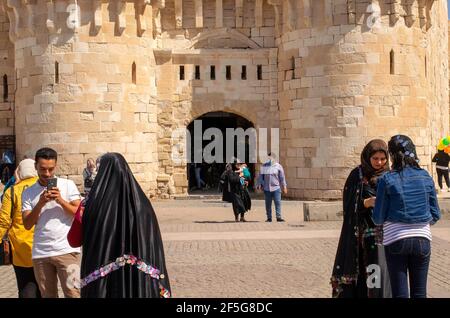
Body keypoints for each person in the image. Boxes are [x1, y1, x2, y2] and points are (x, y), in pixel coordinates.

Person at [67, 153, 171, 298]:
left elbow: (73, 240)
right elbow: (153, 243)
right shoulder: (144, 206)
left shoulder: (88, 206)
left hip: (102, 285)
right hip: (139, 282)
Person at [373, 135, 441, 298]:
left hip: (396, 239)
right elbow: (436, 214)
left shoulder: (387, 179)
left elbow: (378, 218)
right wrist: (418, 222)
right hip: (422, 239)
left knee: (400, 293)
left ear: (392, 155)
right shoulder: (426, 177)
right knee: (420, 292)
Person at [330, 139, 392, 298]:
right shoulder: (356, 175)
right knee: (363, 275)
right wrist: (365, 203)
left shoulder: (390, 176)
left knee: (377, 272)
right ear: (367, 157)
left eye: (382, 159)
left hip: (384, 236)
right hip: (360, 237)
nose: (379, 162)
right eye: (375, 159)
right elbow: (348, 203)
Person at [22, 147, 82, 298]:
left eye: (51, 169)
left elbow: (78, 213)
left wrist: (60, 200)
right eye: (42, 169)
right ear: (35, 166)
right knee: (48, 295)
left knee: (74, 293)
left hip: (68, 251)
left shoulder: (68, 185)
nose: (47, 174)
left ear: (56, 166)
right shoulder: (28, 192)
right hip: (41, 254)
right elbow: (27, 224)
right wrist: (41, 202)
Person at [0, 159, 40, 298]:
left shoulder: (12, 191)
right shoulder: (44, 186)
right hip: (44, 243)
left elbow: (4, 221)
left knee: (26, 285)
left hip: (20, 246)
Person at [257, 153, 287, 222]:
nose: (270, 159)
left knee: (277, 202)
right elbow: (261, 176)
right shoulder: (264, 166)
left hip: (276, 188)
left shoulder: (278, 166)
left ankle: (278, 217)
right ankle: (269, 218)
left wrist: (284, 187)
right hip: (267, 188)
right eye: (269, 158)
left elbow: (282, 177)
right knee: (268, 204)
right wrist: (260, 184)